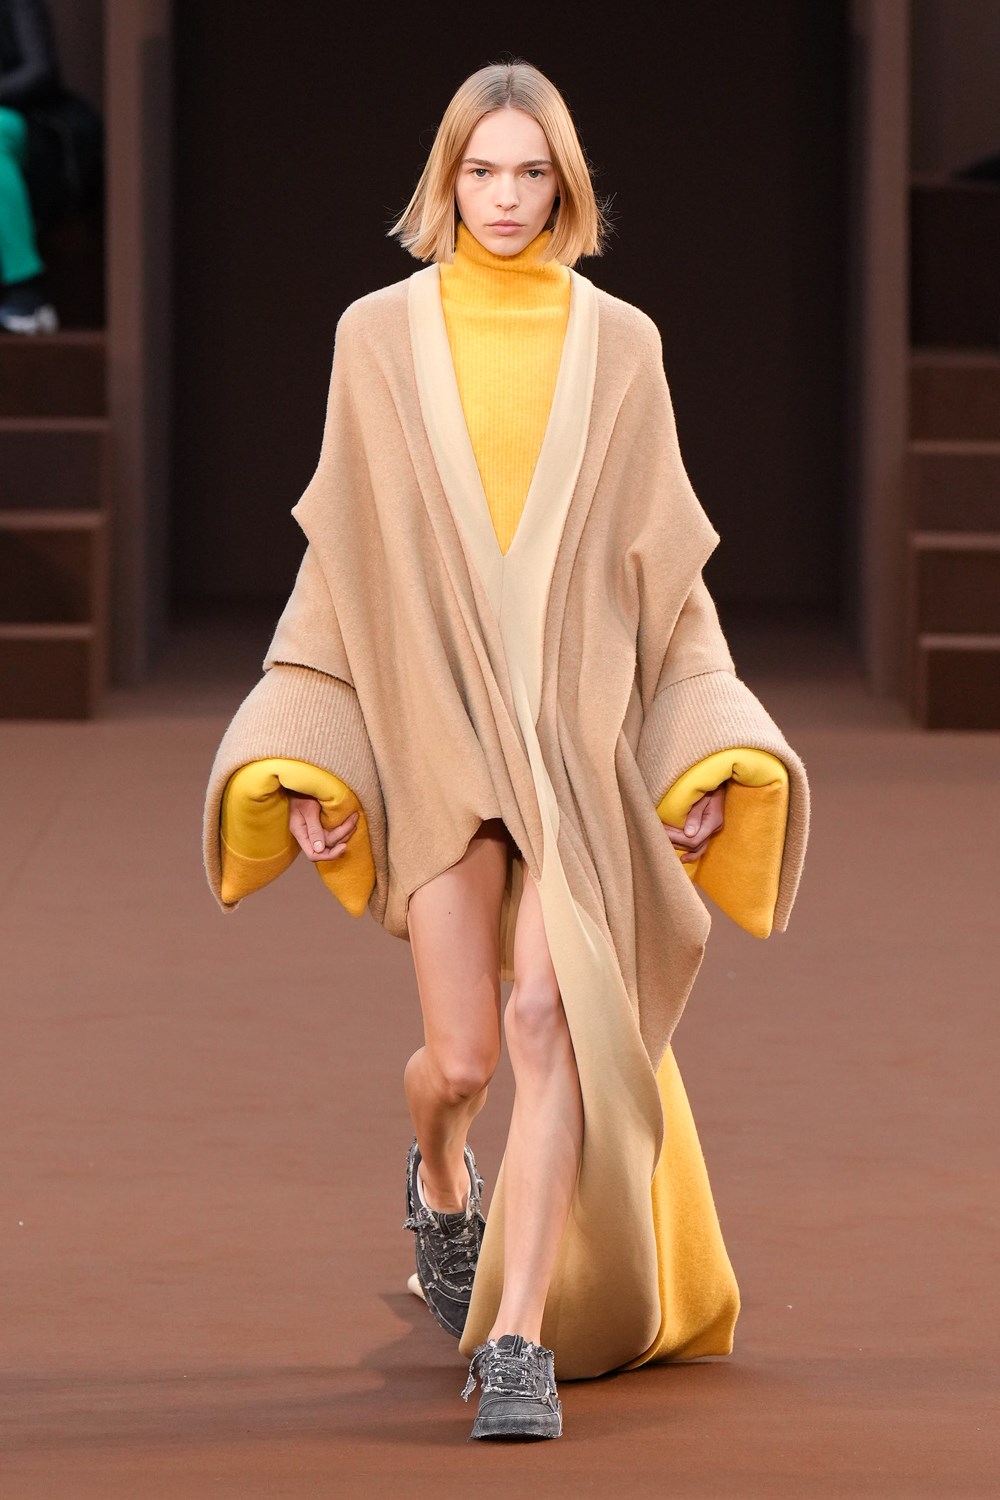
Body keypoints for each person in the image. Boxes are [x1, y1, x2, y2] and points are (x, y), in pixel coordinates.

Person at [203, 60, 810, 1443]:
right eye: (483, 171)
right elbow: (343, 564)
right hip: (435, 737)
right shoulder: (376, 337)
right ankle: (438, 1177)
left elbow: (669, 579)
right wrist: (314, 757)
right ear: (448, 179)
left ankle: (520, 1342)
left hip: (577, 746)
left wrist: (699, 750)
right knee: (465, 1059)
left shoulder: (623, 344)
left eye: (533, 173)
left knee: (549, 1019)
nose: (506, 198)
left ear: (566, 186)